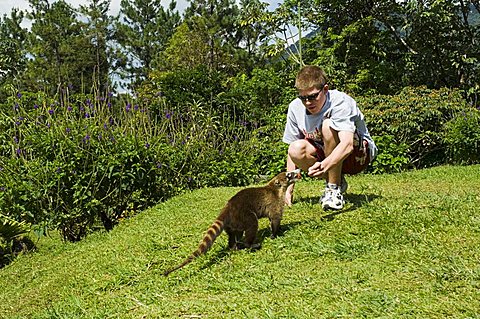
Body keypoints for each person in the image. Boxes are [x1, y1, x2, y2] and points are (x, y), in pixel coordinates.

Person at [283, 65, 377, 210]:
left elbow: (347, 145)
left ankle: (333, 189)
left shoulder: (340, 101)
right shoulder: (295, 108)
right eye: (303, 97)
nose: (308, 102)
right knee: (295, 149)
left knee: (328, 126)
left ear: (325, 89)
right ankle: (337, 179)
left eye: (313, 96)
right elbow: (292, 155)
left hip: (357, 156)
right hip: (329, 156)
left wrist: (324, 166)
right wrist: (288, 189)